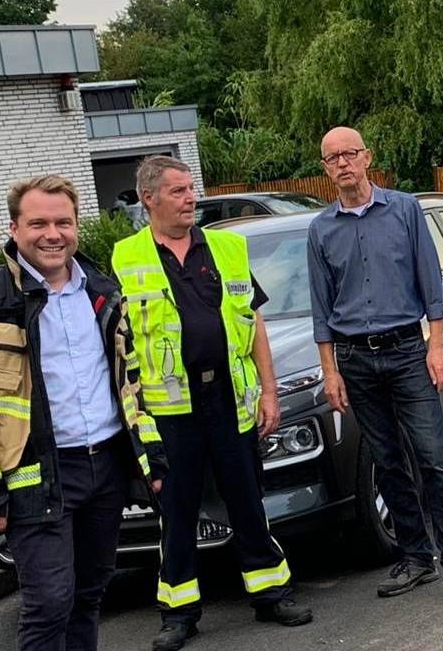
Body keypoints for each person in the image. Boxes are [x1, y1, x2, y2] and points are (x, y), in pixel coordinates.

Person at [0, 175, 168, 651]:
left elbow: (130, 382)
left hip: (106, 467)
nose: (52, 234)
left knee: (89, 594)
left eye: (63, 222)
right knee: (50, 601)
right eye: (38, 223)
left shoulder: (102, 291)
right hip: (34, 473)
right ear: (14, 229)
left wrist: (150, 458)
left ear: (77, 228)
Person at [111, 156, 313, 651]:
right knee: (176, 513)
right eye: (178, 191)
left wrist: (269, 391)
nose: (190, 198)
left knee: (247, 500)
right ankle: (179, 613)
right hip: (170, 414)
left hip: (229, 399)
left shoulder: (225, 247)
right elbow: (120, 349)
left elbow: (255, 323)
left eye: (190, 189)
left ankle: (271, 593)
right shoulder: (125, 258)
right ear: (149, 199)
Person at [306, 126, 443, 605]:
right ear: (325, 169)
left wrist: (437, 346)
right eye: (332, 158)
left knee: (433, 458)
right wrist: (330, 371)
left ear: (367, 157)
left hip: (409, 351)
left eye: (350, 154)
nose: (343, 163)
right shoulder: (320, 230)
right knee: (386, 463)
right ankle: (415, 557)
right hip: (355, 360)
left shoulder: (404, 209)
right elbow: (321, 309)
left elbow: (431, 283)